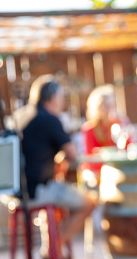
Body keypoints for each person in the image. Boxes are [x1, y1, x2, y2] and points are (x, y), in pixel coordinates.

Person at [18, 75, 97, 245]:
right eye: (62, 97)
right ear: (52, 98)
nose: (63, 102)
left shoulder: (23, 116)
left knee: (58, 195)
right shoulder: (50, 119)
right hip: (37, 190)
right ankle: (55, 246)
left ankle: (52, 246)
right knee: (89, 202)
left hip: (17, 191)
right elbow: (73, 156)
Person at [81, 84, 133, 177]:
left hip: (121, 170)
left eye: (112, 105)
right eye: (106, 106)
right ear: (97, 107)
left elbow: (129, 149)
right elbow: (90, 159)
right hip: (99, 173)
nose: (110, 109)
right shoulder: (90, 129)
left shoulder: (120, 124)